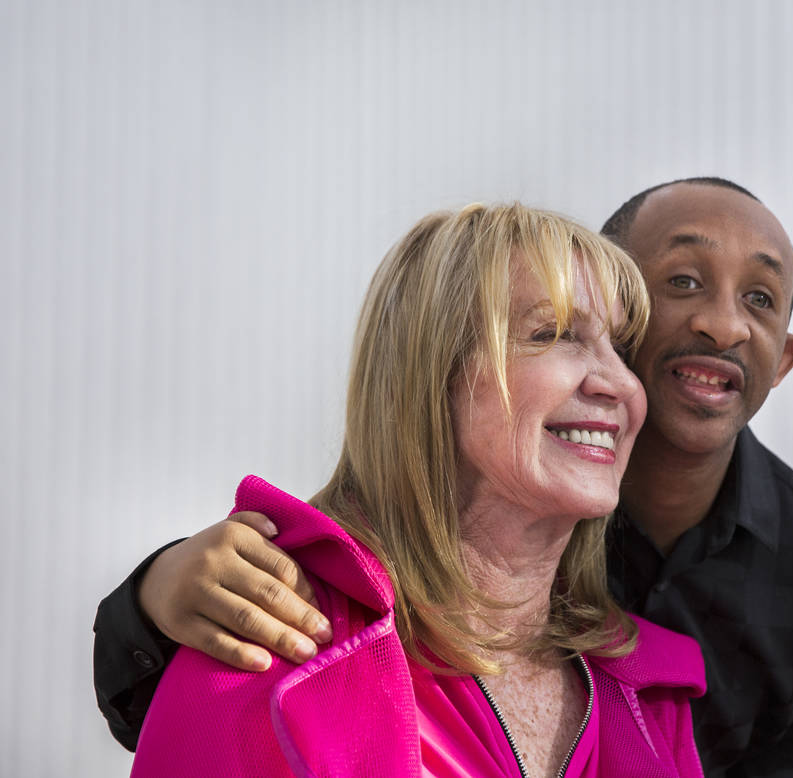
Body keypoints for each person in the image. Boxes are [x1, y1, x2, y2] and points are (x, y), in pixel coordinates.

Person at [95, 179, 793, 777]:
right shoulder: (297, 644)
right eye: (555, 333)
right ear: (431, 373)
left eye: (759, 298)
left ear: (786, 359)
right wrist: (153, 594)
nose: (722, 323)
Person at [125, 203, 707, 777]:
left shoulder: (652, 695)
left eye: (622, 348)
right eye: (553, 333)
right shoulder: (270, 642)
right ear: (433, 373)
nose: (620, 383)